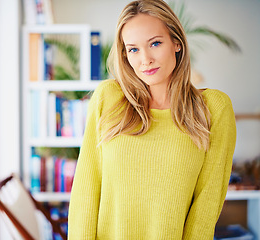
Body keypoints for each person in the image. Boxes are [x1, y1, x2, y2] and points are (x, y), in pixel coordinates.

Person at [67, 0, 237, 239]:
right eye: (133, 49)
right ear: (125, 54)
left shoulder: (213, 108)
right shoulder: (108, 97)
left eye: (155, 43)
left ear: (176, 43)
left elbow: (206, 206)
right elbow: (85, 191)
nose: (145, 59)